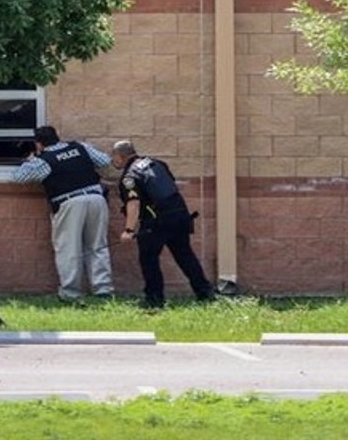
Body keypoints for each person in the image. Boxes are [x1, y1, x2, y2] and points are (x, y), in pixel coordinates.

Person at [12, 126, 113, 303]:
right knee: (98, 245)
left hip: (69, 202)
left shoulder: (43, 160)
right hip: (96, 198)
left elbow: (19, 177)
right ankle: (103, 290)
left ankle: (71, 293)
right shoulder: (79, 147)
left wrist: (29, 159)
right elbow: (104, 161)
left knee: (69, 249)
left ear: (38, 144)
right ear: (57, 138)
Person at [111, 140, 215, 309]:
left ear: (120, 156)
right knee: (185, 256)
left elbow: (134, 203)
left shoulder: (129, 177)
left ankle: (154, 300)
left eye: (113, 157)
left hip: (156, 222)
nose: (113, 161)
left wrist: (128, 230)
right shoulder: (157, 163)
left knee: (149, 259)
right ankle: (205, 293)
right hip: (180, 215)